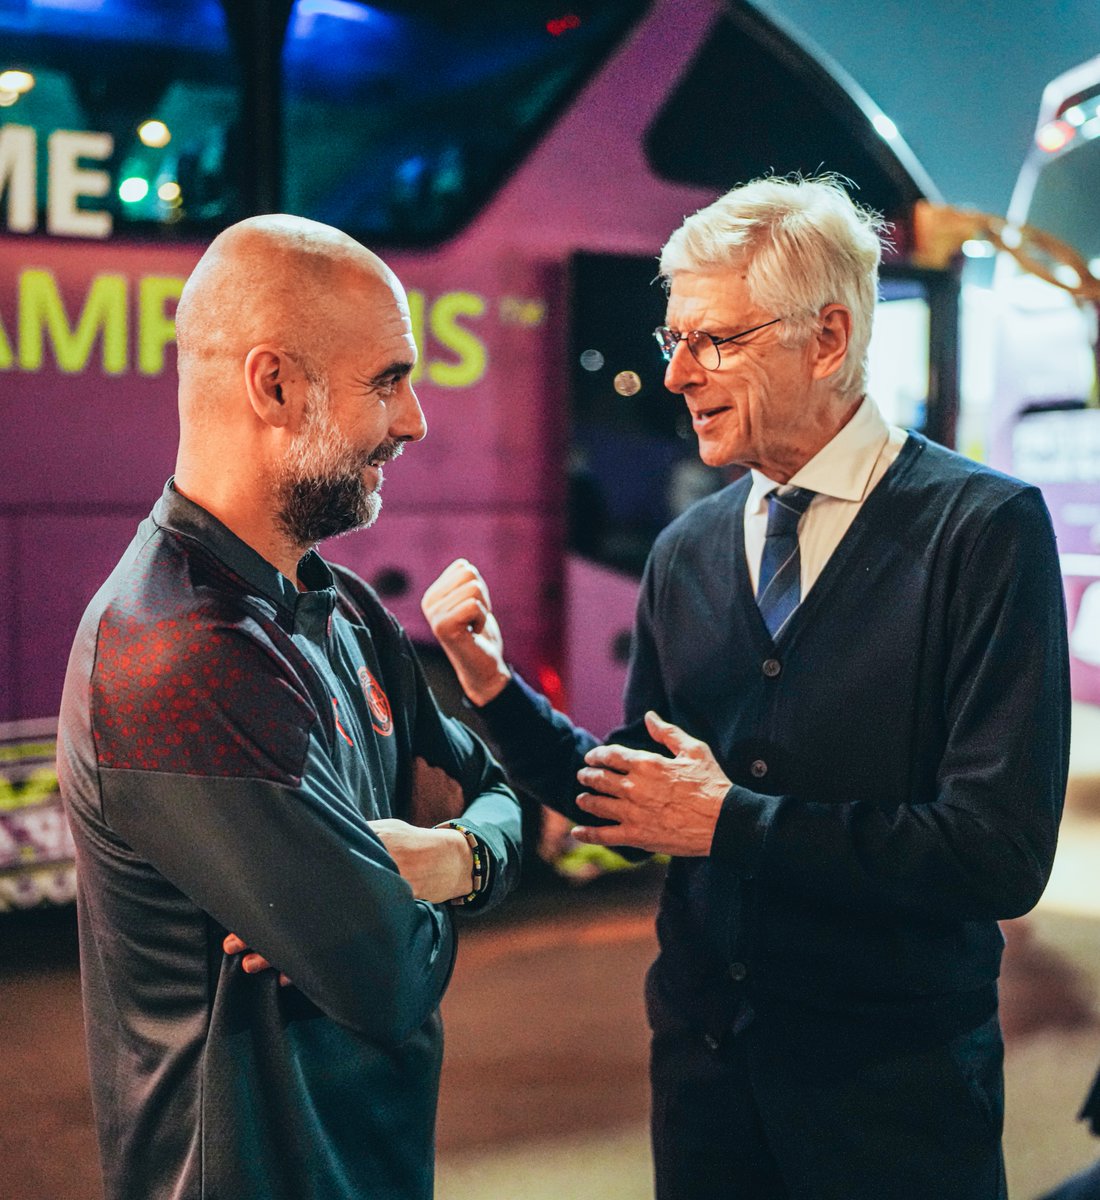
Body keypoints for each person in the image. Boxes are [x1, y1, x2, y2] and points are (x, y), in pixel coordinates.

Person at [422, 175, 1071, 1199]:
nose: (676, 374)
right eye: (672, 339)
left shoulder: (982, 532)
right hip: (704, 1086)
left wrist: (733, 821)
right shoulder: (684, 550)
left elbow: (995, 857)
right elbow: (634, 810)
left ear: (825, 339)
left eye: (713, 340)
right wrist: (491, 687)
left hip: (893, 1101)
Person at [57, 215, 523, 1200]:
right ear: (274, 385)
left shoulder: (345, 609)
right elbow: (385, 977)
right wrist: (443, 876)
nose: (415, 421)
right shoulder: (178, 653)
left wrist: (453, 859)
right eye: (388, 381)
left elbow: (496, 797)